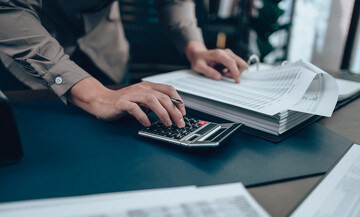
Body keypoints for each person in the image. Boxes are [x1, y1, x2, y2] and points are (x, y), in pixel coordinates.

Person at [0, 0, 248, 128]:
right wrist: (96, 96)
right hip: (26, 64)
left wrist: (195, 48)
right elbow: (9, 11)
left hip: (105, 51)